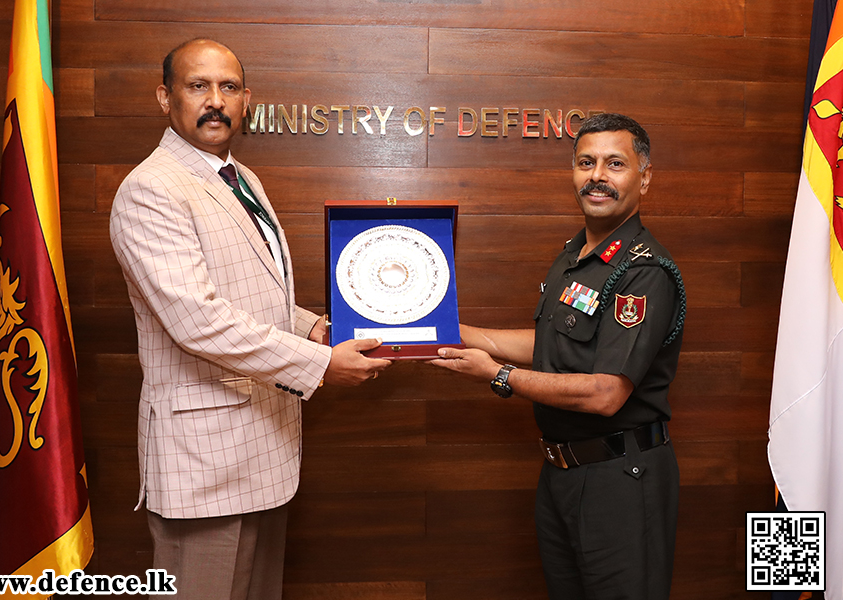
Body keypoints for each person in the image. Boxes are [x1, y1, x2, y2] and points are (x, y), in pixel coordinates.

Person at [109, 38, 391, 600]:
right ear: (165, 98)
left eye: (229, 87)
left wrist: (313, 326)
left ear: (247, 101)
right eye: (198, 86)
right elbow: (199, 320)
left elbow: (251, 294)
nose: (215, 100)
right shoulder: (152, 190)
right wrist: (320, 364)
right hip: (204, 462)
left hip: (265, 450)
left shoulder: (241, 179)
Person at [431, 113, 685, 600]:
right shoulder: (574, 256)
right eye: (586, 162)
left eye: (615, 164)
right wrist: (455, 333)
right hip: (561, 475)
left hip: (620, 480)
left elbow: (607, 392)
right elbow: (553, 345)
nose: (597, 176)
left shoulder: (643, 272)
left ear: (644, 178)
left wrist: (498, 376)